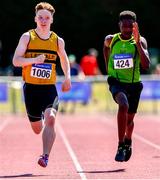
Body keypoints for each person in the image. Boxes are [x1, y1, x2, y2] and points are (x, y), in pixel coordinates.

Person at [12, 2, 71, 168]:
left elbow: (64, 59)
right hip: (31, 89)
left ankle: (45, 156)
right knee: (37, 129)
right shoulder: (27, 37)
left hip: (49, 88)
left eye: (47, 18)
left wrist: (67, 77)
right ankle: (41, 124)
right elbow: (16, 61)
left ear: (52, 19)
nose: (43, 21)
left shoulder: (57, 41)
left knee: (51, 118)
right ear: (35, 19)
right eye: (40, 17)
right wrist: (34, 60)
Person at [103, 10, 150, 162]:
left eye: (131, 27)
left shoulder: (140, 41)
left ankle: (128, 140)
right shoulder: (112, 40)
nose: (128, 29)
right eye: (125, 26)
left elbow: (146, 65)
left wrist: (137, 43)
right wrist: (108, 67)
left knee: (129, 121)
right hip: (116, 82)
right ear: (119, 25)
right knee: (123, 105)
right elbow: (105, 47)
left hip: (134, 85)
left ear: (135, 26)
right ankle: (121, 144)